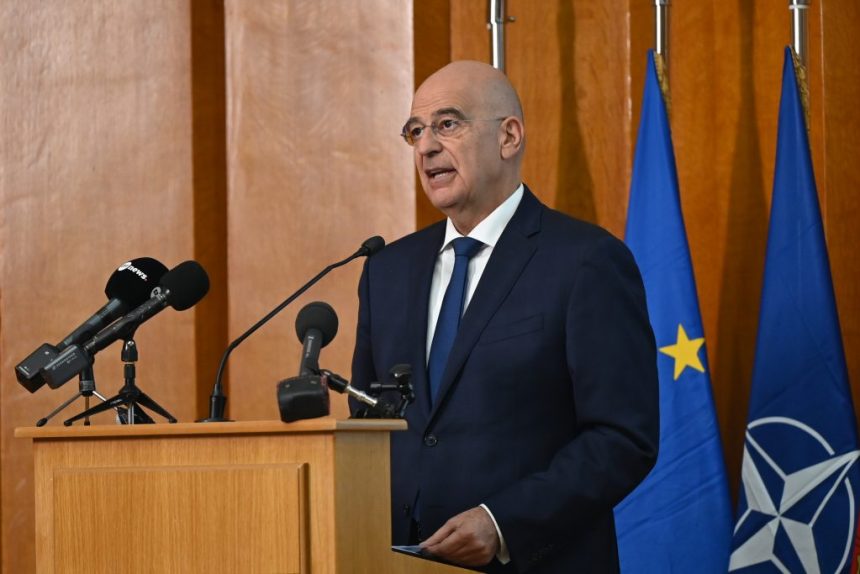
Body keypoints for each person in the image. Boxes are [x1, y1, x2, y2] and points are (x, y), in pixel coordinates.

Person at [350, 60, 659, 573]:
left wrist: (503, 523)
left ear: (509, 136)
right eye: (415, 131)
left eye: (447, 124)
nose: (426, 147)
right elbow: (367, 424)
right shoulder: (387, 270)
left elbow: (623, 438)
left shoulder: (585, 261)